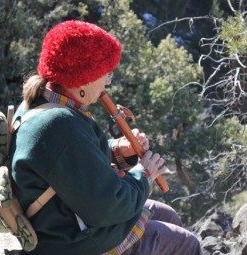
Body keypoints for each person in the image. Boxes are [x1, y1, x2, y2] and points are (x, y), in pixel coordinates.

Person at [10, 20, 203, 255]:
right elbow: (107, 207)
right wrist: (145, 174)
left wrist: (119, 150)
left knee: (166, 214)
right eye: (105, 73)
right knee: (186, 243)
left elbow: (73, 161)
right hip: (71, 240)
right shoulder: (59, 124)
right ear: (83, 79)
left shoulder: (42, 102)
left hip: (63, 217)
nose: (109, 81)